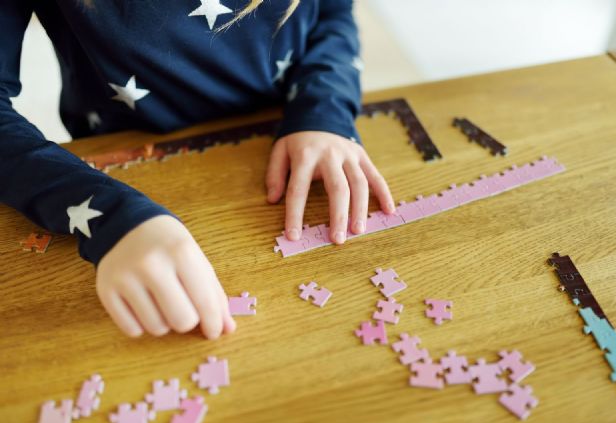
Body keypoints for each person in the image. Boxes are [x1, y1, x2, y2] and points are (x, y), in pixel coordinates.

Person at [0, 0, 395, 340]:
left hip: (285, 131)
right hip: (126, 159)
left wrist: (324, 110)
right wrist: (106, 213)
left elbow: (333, 9)